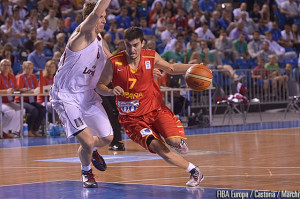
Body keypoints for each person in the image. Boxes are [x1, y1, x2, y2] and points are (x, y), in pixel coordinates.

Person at [96, 27, 204, 187]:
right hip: (133, 120)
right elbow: (99, 86)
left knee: (173, 141)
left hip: (155, 110)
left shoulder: (150, 56)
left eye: (135, 45)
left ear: (142, 44)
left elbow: (172, 68)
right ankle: (195, 171)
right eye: (128, 45)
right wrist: (111, 90)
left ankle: (177, 143)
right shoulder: (114, 62)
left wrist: (193, 68)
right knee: (159, 148)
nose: (131, 50)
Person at [49, 0, 113, 188]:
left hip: (87, 95)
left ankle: (91, 151)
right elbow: (96, 12)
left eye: (105, 17)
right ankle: (86, 172)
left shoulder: (101, 41)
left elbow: (114, 62)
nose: (104, 21)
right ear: (90, 18)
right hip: (66, 96)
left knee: (108, 138)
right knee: (86, 140)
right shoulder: (82, 35)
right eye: (101, 17)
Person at [15, 61, 46, 137]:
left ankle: (35, 129)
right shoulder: (20, 77)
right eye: (27, 68)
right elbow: (19, 89)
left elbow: (36, 88)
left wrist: (38, 90)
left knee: (43, 109)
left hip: (31, 100)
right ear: (23, 68)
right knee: (34, 110)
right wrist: (30, 90)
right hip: (21, 100)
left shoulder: (33, 77)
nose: (29, 70)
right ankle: (28, 130)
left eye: (31, 68)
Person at [0, 59, 23, 138]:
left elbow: (15, 88)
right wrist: (5, 91)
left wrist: (20, 89)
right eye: (3, 65)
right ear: (0, 67)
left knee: (22, 110)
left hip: (9, 101)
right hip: (1, 101)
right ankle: (2, 131)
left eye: (8, 65)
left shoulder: (12, 77)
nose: (6, 67)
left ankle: (12, 130)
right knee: (10, 112)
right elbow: (7, 90)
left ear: (10, 67)